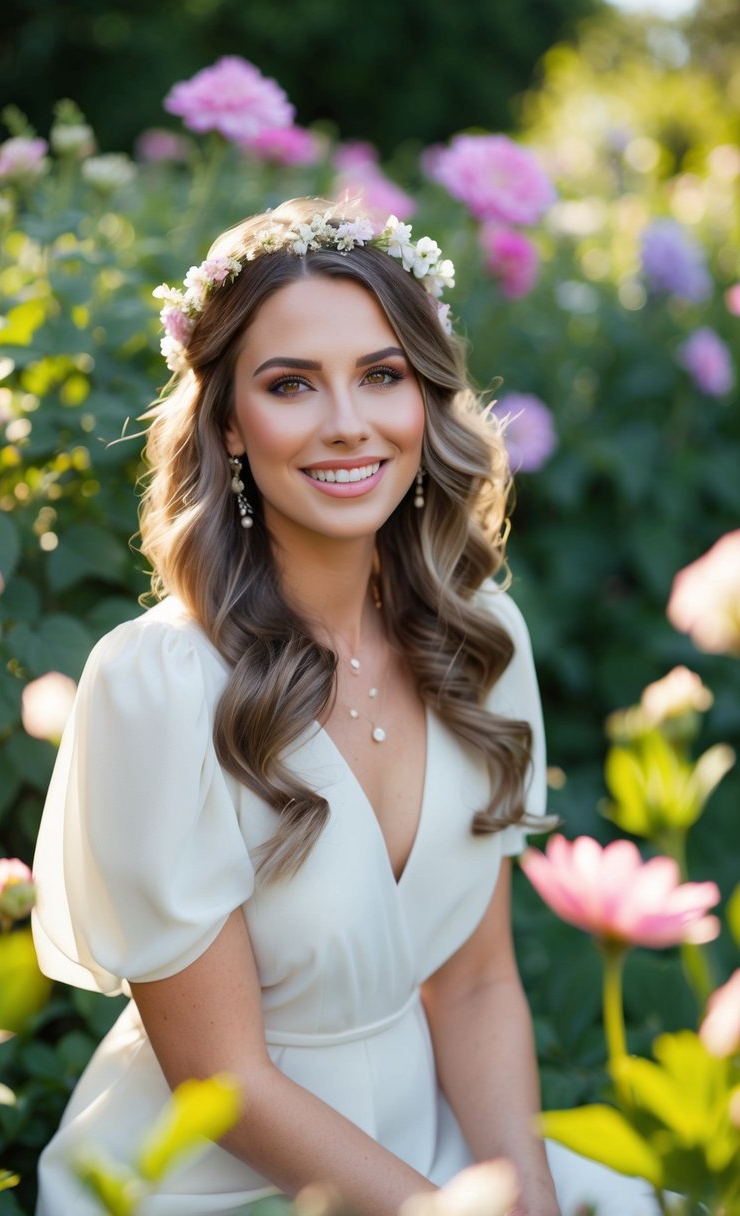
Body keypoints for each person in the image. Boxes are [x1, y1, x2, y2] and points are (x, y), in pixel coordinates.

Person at [32, 198, 658, 1216]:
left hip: (438, 1150)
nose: (346, 422)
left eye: (381, 374)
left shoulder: (478, 640)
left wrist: (526, 1197)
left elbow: (475, 985)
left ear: (424, 395)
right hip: (216, 1183)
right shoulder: (157, 686)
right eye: (290, 385)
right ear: (231, 422)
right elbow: (221, 1077)